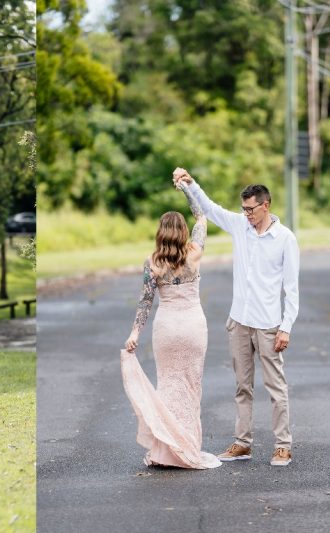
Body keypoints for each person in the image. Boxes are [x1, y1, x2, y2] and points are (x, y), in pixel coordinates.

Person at [173, 168, 299, 467]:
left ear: (265, 205)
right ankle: (243, 443)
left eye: (251, 209)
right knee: (242, 387)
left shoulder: (285, 239)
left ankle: (283, 445)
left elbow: (291, 289)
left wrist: (286, 327)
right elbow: (211, 209)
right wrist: (191, 184)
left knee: (276, 388)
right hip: (239, 321)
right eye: (243, 209)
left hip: (269, 325)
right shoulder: (240, 226)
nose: (246, 214)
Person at [120, 178, 222, 469]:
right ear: (182, 232)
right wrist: (186, 189)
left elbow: (145, 302)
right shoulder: (194, 254)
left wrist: (135, 332)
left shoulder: (152, 262)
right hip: (192, 327)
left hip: (166, 329)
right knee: (191, 387)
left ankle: (165, 452)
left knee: (167, 385)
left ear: (160, 234)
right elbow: (201, 215)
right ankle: (187, 447)